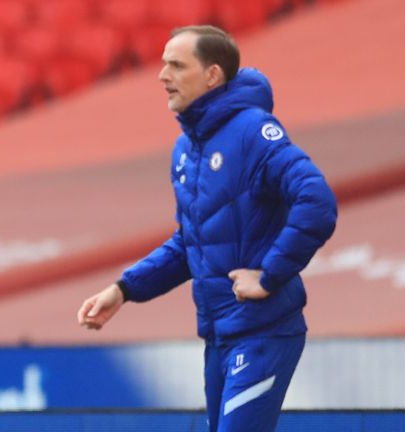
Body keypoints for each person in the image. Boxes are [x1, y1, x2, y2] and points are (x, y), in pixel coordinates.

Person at [77, 25, 337, 432]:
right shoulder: (186, 149)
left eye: (177, 66)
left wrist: (269, 276)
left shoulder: (254, 132)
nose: (163, 76)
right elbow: (190, 243)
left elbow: (317, 202)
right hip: (219, 335)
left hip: (263, 331)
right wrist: (125, 289)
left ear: (212, 76)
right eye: (164, 64)